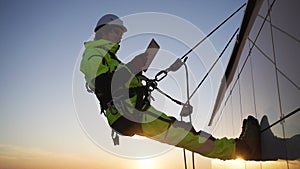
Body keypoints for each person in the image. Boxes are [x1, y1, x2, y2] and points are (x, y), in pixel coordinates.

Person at [80, 14, 261, 160]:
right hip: (129, 113)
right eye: (116, 32)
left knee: (184, 131)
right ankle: (242, 149)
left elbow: (117, 81)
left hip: (132, 111)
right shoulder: (93, 54)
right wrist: (136, 65)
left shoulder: (108, 57)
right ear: (104, 31)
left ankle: (237, 148)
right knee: (185, 135)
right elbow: (103, 83)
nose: (120, 36)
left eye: (121, 33)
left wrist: (138, 71)